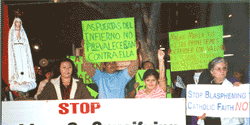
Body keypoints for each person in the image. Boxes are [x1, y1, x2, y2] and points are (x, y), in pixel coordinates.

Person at [197, 57, 242, 125]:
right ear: (212, 72)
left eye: (224, 68)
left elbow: (241, 113)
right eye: (218, 69)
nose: (222, 71)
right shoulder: (205, 89)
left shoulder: (234, 88)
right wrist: (200, 116)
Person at [8, 17, 37, 98]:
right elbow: (10, 44)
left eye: (19, 23)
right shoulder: (12, 33)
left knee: (24, 64)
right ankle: (18, 80)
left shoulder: (23, 33)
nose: (18, 25)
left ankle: (25, 79)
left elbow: (26, 45)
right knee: (17, 64)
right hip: (15, 51)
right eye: (16, 23)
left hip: (22, 52)